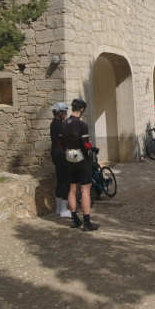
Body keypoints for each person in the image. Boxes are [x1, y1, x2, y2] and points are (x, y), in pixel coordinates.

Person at [62, 98, 98, 231]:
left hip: (69, 157)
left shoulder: (64, 122)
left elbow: (61, 142)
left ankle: (75, 219)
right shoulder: (81, 124)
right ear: (82, 109)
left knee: (72, 189)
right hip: (81, 159)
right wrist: (91, 149)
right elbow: (85, 143)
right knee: (85, 190)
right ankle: (87, 222)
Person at [50, 102, 71, 218]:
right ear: (60, 113)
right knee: (65, 181)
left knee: (59, 180)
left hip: (55, 153)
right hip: (61, 154)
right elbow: (66, 140)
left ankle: (58, 209)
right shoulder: (60, 125)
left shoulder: (53, 123)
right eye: (65, 112)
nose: (66, 114)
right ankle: (64, 210)